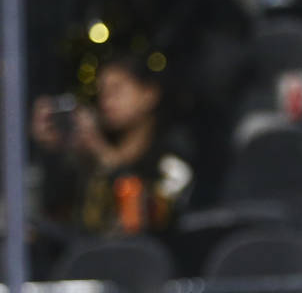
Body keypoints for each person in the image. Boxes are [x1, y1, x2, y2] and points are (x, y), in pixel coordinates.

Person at [30, 55, 193, 258]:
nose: (107, 101)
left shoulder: (169, 159)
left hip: (147, 268)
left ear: (149, 94)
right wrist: (55, 153)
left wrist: (101, 152)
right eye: (102, 92)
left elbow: (150, 220)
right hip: (92, 267)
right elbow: (58, 216)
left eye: (117, 90)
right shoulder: (92, 157)